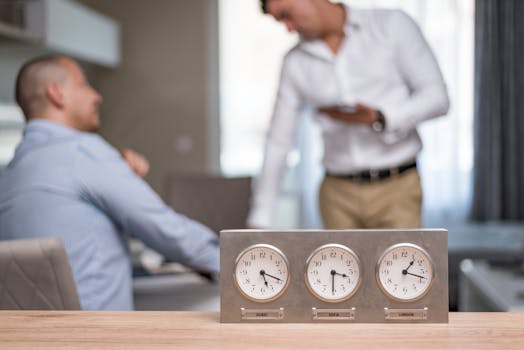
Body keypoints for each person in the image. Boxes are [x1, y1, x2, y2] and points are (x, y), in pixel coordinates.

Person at [0, 55, 219, 310]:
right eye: (83, 84)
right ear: (56, 94)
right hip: (98, 336)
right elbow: (168, 233)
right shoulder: (83, 152)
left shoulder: (11, 173)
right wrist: (237, 260)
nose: (96, 96)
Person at [247, 0, 450, 229]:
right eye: (280, 21)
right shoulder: (294, 63)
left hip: (397, 188)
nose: (289, 28)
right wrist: (259, 221)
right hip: (337, 196)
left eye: (286, 15)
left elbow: (438, 98)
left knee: (403, 265)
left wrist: (380, 118)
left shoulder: (392, 26)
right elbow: (278, 141)